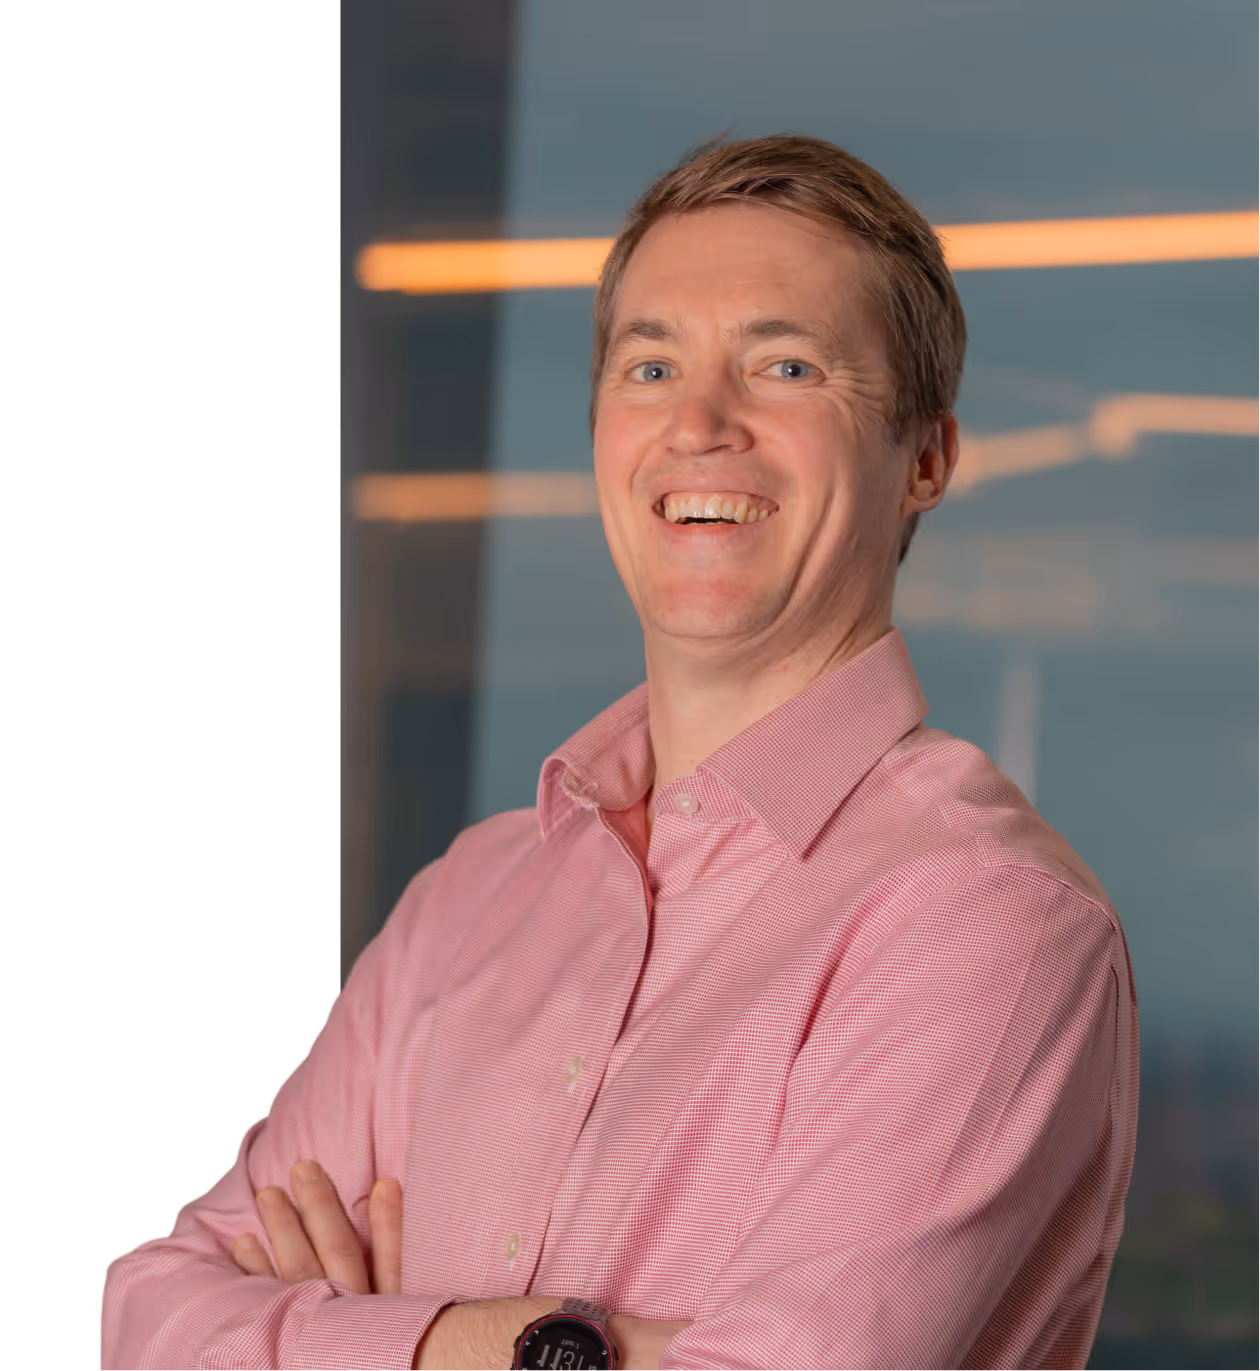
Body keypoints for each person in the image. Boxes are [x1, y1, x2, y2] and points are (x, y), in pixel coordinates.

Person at [100, 133, 1139, 1370]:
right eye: (650, 366)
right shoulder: (469, 900)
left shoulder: (985, 922)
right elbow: (148, 1315)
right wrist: (546, 1348)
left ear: (926, 459)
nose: (699, 423)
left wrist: (355, 1335)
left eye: (785, 365)